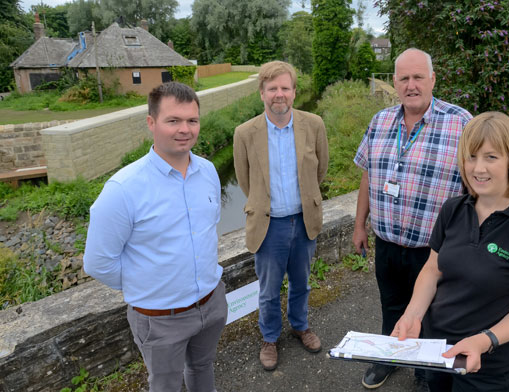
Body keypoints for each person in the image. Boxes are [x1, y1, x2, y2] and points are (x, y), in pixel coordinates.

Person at [392, 111, 509, 391]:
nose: (478, 168)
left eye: (491, 157)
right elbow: (433, 269)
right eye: (471, 157)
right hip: (437, 350)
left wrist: (483, 341)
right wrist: (412, 314)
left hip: (488, 364)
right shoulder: (452, 210)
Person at [83, 82, 227, 392]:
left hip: (212, 303)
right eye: (173, 120)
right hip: (161, 319)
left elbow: (208, 227)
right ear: (152, 123)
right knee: (166, 385)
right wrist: (149, 284)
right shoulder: (123, 190)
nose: (185, 129)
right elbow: (98, 262)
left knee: (202, 368)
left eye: (192, 120)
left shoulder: (209, 171)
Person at [352, 48, 472, 389]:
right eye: (404, 78)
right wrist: (360, 225)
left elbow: (475, 189)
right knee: (391, 305)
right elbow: (367, 177)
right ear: (395, 83)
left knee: (432, 315)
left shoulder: (461, 122)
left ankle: (425, 373)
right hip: (387, 243)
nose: (411, 85)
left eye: (418, 77)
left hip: (434, 251)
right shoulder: (380, 121)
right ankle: (390, 356)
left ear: (433, 79)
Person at [233, 61, 329, 371]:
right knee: (269, 289)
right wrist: (265, 203)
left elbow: (321, 170)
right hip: (268, 225)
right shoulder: (244, 133)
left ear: (294, 92)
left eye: (285, 88)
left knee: (302, 283)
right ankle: (270, 338)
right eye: (272, 88)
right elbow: (245, 180)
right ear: (261, 93)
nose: (279, 94)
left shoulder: (314, 125)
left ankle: (300, 326)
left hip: (303, 222)